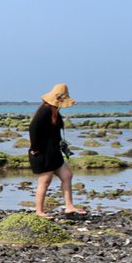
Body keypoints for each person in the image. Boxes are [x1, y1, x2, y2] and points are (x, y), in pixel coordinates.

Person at [28, 83, 87, 219]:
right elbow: (33, 128)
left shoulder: (53, 111)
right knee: (45, 180)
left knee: (67, 175)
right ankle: (39, 211)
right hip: (43, 153)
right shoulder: (45, 111)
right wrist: (36, 148)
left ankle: (69, 206)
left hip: (53, 152)